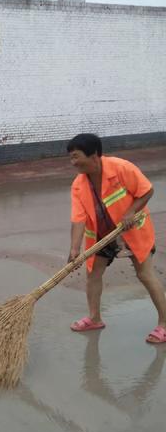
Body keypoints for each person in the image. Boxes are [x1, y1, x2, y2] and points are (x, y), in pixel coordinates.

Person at [67, 133, 166, 344]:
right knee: (93, 274)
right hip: (102, 237)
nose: (73, 162)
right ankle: (94, 318)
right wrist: (74, 249)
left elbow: (146, 190)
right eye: (71, 158)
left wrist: (130, 212)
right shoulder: (78, 184)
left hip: (132, 231)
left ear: (94, 156)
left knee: (145, 274)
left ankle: (164, 324)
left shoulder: (121, 168)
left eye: (76, 157)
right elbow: (78, 219)